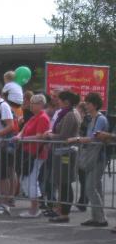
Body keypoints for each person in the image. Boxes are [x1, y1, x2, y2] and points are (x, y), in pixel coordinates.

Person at [42, 90, 81, 223]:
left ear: (66, 102)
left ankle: (64, 213)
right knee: (62, 183)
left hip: (66, 153)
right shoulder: (66, 113)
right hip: (62, 152)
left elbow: (64, 136)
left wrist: (50, 135)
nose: (57, 101)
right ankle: (61, 211)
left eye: (59, 99)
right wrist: (51, 133)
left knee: (65, 183)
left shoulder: (70, 115)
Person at [72, 92, 109, 227]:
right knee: (95, 188)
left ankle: (100, 218)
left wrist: (76, 139)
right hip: (93, 157)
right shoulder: (92, 119)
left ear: (94, 104)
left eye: (88, 103)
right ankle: (96, 217)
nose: (86, 106)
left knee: (90, 188)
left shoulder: (100, 119)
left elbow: (94, 138)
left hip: (97, 158)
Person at [13, 94, 51, 218]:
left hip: (36, 153)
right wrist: (19, 136)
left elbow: (40, 136)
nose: (31, 105)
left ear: (41, 104)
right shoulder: (34, 117)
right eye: (32, 103)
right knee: (26, 179)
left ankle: (35, 209)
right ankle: (35, 207)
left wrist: (22, 139)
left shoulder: (43, 118)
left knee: (31, 180)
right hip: (28, 152)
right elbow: (23, 129)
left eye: (34, 103)